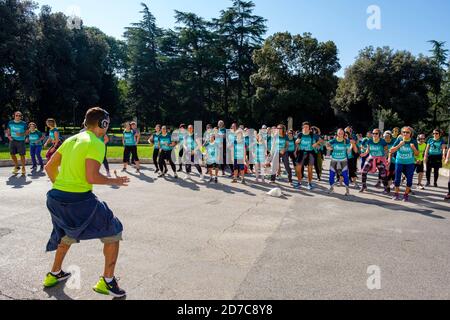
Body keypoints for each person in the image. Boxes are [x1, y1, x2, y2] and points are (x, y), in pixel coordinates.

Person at [43, 107, 129, 298]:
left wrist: (64, 187)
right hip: (79, 200)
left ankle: (54, 274)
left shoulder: (71, 139)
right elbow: (92, 177)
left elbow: (49, 167)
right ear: (103, 124)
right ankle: (107, 281)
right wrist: (114, 181)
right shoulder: (96, 143)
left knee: (66, 233)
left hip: (55, 197)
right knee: (114, 231)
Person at [389, 127, 419, 202]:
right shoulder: (399, 140)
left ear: (411, 134)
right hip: (399, 162)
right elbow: (391, 150)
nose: (405, 134)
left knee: (409, 179)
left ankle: (406, 195)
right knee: (397, 179)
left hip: (409, 163)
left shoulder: (413, 141)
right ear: (402, 133)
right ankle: (396, 194)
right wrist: (399, 145)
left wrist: (414, 148)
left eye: (407, 132)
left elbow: (417, 154)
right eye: (404, 132)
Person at [294, 122, 323, 190]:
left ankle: (309, 183)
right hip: (301, 152)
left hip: (310, 152)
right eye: (304, 127)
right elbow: (296, 141)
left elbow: (321, 140)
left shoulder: (312, 134)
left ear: (309, 128)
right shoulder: (300, 134)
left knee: (310, 169)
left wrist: (316, 144)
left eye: (307, 127)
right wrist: (297, 141)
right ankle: (299, 182)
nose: (305, 128)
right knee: (298, 169)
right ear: (302, 127)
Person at [359, 129, 390, 194]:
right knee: (363, 171)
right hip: (371, 157)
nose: (374, 135)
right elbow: (368, 150)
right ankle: (363, 186)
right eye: (373, 133)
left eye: (376, 133)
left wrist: (386, 158)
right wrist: (364, 154)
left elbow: (387, 150)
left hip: (380, 158)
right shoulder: (370, 141)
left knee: (383, 174)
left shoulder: (382, 141)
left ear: (379, 135)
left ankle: (386, 188)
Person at [327, 129, 353, 196]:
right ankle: (332, 188)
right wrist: (329, 148)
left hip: (343, 160)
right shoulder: (334, 140)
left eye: (342, 133)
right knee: (331, 175)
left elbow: (350, 146)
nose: (341, 134)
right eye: (339, 132)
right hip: (334, 160)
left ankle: (347, 189)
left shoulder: (346, 141)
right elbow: (327, 144)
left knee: (345, 175)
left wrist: (349, 148)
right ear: (337, 133)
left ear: (343, 133)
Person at [6, 111, 29, 175]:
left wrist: (21, 134)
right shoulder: (10, 122)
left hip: (21, 141)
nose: (18, 116)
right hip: (12, 140)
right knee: (12, 154)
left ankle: (23, 168)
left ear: (21, 116)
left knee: (22, 155)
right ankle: (16, 166)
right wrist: (9, 137)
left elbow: (27, 132)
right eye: (16, 115)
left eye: (19, 115)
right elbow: (8, 131)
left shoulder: (23, 123)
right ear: (14, 116)